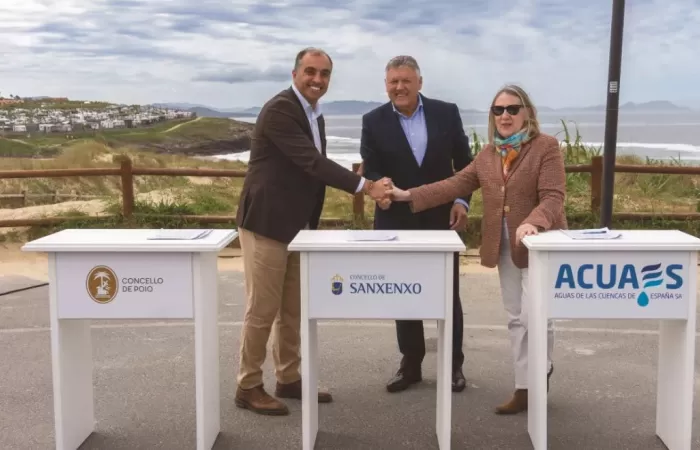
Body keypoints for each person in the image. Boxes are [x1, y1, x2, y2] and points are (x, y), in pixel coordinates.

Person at [386, 84, 566, 414]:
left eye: (512, 109)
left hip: (539, 245)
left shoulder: (545, 147)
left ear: (527, 112)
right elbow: (453, 185)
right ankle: (524, 387)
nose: (505, 116)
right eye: (498, 110)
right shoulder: (488, 155)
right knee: (516, 317)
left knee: (535, 315)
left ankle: (541, 369)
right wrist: (407, 195)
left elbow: (553, 196)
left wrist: (534, 222)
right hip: (505, 246)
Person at [234, 47, 392, 416]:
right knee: (262, 309)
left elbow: (310, 169)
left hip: (298, 226)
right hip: (267, 224)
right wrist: (367, 186)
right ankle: (248, 385)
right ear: (295, 74)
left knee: (292, 309)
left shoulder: (313, 114)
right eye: (310, 72)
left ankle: (288, 378)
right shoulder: (281, 110)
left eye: (324, 74)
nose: (317, 79)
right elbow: (312, 162)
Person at [359, 55, 473, 393]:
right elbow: (371, 167)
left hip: (441, 217)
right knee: (403, 292)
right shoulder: (372, 120)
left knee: (447, 293)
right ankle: (410, 364)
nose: (399, 87)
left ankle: (453, 364)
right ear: (386, 85)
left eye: (406, 80)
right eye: (393, 81)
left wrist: (462, 201)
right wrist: (379, 187)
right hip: (395, 218)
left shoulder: (446, 113)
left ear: (419, 83)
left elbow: (466, 166)